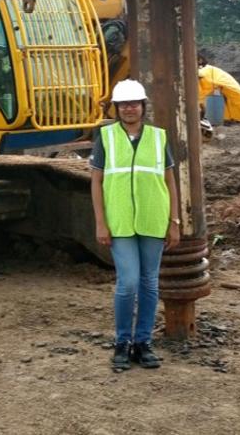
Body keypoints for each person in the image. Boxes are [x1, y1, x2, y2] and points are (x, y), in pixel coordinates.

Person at [89, 79, 180, 371]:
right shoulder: (105, 137)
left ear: (143, 106)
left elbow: (169, 181)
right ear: (117, 108)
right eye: (124, 104)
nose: (129, 109)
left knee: (149, 284)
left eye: (134, 103)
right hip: (119, 222)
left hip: (153, 218)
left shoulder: (158, 137)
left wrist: (174, 221)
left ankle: (143, 343)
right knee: (128, 283)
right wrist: (101, 222)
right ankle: (122, 342)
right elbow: (96, 181)